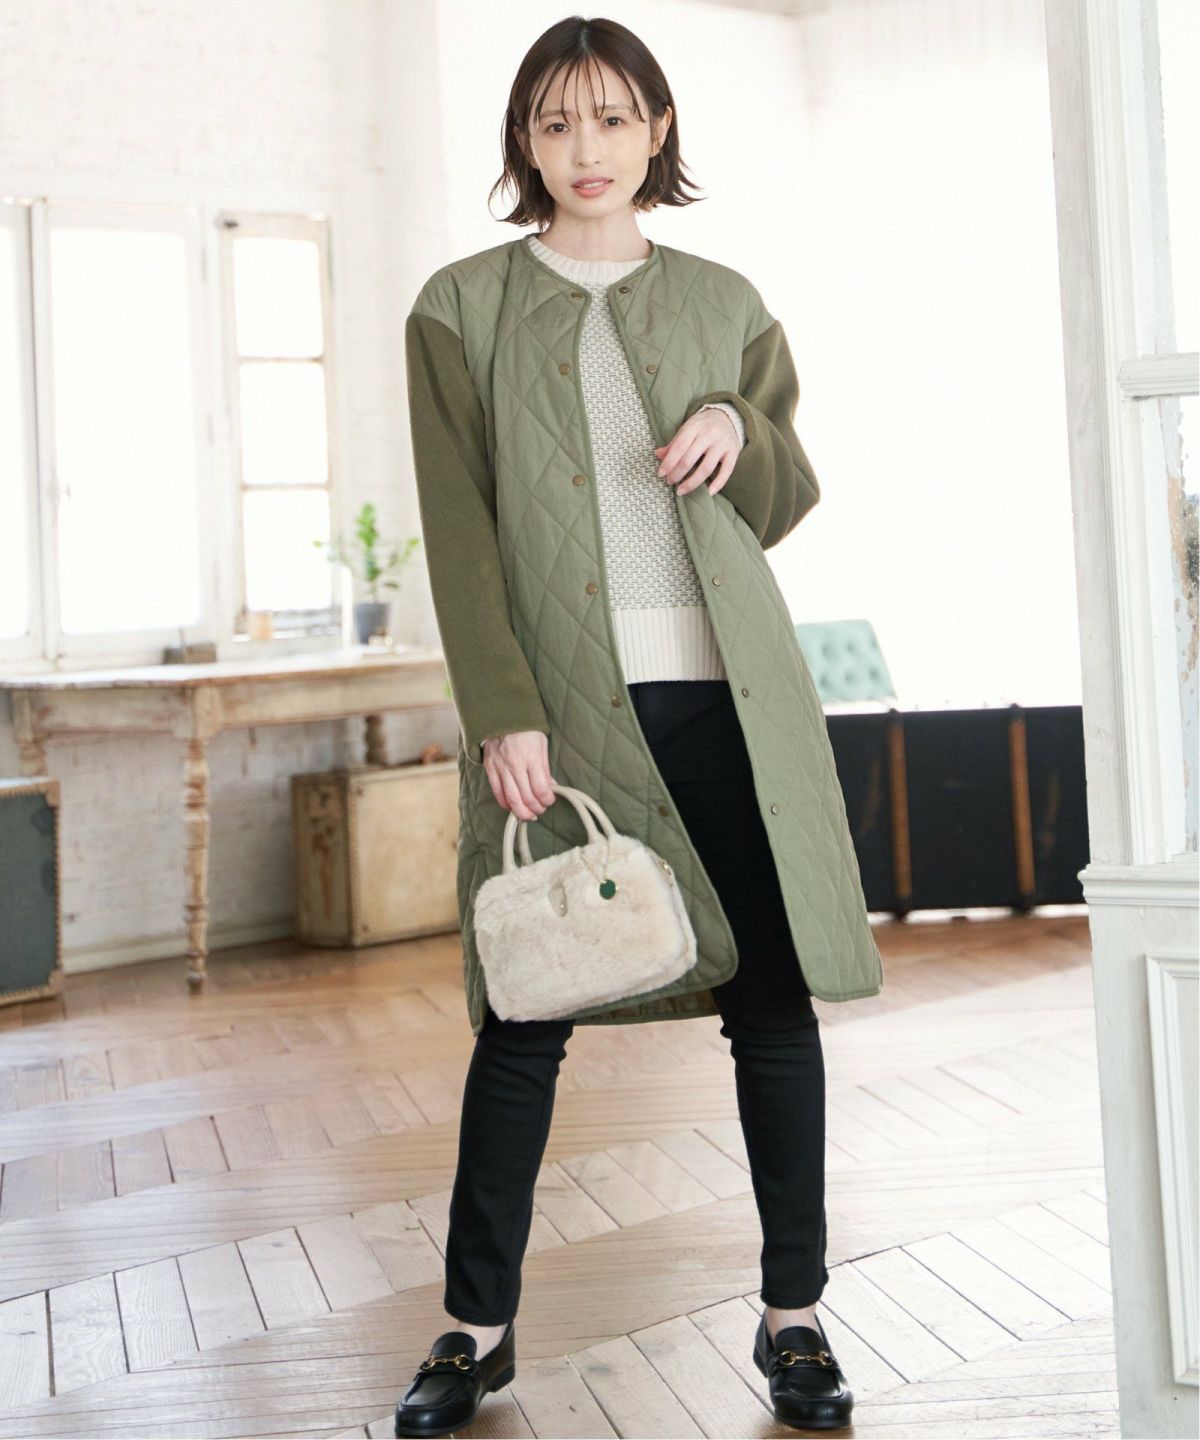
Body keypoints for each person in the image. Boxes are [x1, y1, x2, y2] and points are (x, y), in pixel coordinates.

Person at [395, 15, 879, 1436]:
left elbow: (784, 488)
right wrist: (504, 712)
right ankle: (475, 1333)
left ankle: (794, 1322)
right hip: (556, 713)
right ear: (523, 141)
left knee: (772, 1007)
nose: (585, 149)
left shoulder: (726, 301)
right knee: (524, 1012)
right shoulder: (461, 308)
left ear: (658, 128)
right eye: (555, 124)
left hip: (730, 701)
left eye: (612, 118)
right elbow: (459, 531)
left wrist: (739, 424)